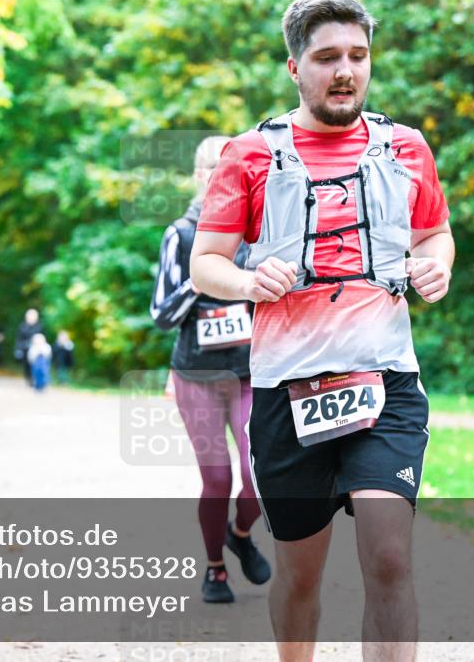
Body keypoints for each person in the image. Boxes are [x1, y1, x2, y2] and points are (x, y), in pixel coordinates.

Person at [190, 0, 454, 659]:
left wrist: (435, 267)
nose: (346, 72)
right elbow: (205, 264)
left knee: (389, 555)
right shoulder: (251, 154)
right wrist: (249, 282)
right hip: (287, 389)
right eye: (327, 57)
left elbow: (436, 235)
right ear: (293, 66)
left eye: (358, 57)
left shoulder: (407, 148)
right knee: (300, 574)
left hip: (385, 380)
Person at [150, 136, 271, 604]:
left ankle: (239, 534)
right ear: (200, 177)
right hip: (197, 376)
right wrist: (203, 281)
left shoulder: (256, 231)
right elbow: (161, 313)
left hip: (248, 373)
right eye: (214, 172)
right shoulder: (180, 235)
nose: (223, 181)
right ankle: (215, 569)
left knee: (259, 476)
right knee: (217, 479)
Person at [14, 308, 43, 386]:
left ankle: (35, 378)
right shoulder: (22, 326)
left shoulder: (39, 326)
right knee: (26, 365)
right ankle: (28, 378)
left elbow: (42, 337)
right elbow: (18, 339)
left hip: (36, 349)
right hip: (25, 348)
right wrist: (18, 349)